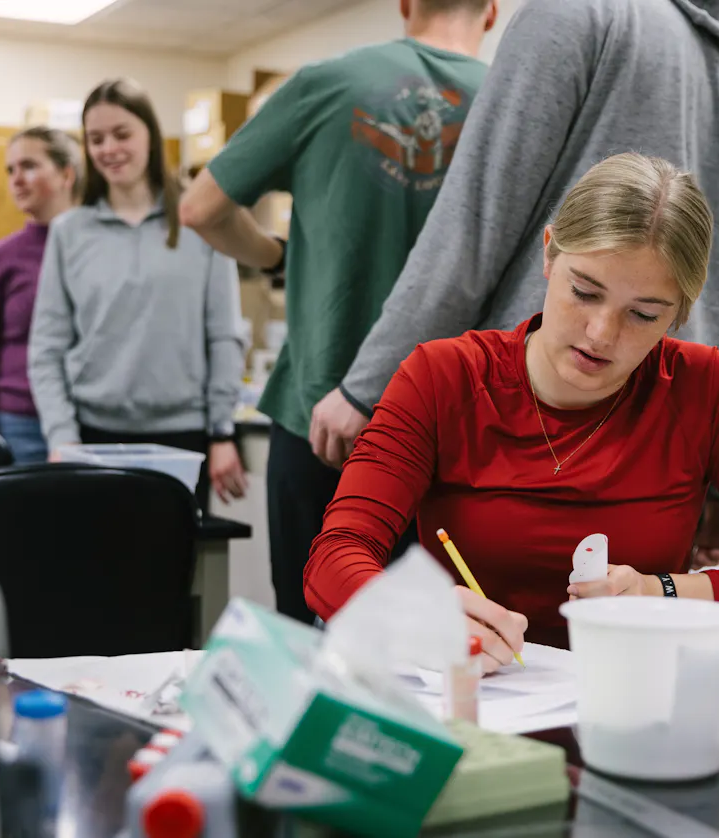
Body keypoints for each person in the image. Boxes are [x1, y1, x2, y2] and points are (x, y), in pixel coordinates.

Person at [304, 154, 719, 671]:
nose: (601, 334)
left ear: (680, 314)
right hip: (472, 694)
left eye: (642, 314)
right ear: (549, 254)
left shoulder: (705, 389)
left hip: (632, 696)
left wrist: (661, 591)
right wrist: (415, 617)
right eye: (584, 292)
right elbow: (335, 557)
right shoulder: (444, 377)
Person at [313, 0, 719, 572]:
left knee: (432, 638)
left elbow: (476, 218)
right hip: (669, 456)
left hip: (515, 436)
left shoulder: (576, 14)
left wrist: (367, 387)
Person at [180, 0, 499, 623]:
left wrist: (275, 255)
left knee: (305, 641)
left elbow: (200, 209)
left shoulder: (324, 83)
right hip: (457, 432)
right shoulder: (510, 102)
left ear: (405, 5)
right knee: (446, 650)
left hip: (319, 417)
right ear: (490, 12)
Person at [28, 78, 247, 512]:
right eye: (96, 139)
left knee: (172, 577)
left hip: (184, 440)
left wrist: (222, 432)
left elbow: (224, 335)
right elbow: (46, 348)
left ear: (151, 135)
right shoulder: (69, 232)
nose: (109, 148)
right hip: (91, 438)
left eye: (122, 134)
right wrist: (61, 436)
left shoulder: (201, 221)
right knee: (94, 577)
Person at [0, 126, 81, 464]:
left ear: (66, 174)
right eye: (10, 170)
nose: (16, 179)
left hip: (93, 423)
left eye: (29, 166)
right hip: (20, 429)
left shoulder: (96, 252)